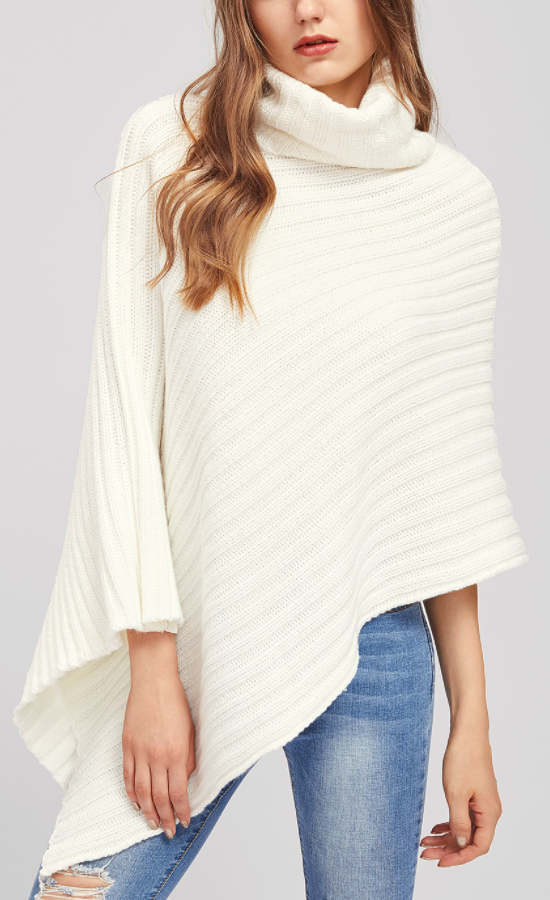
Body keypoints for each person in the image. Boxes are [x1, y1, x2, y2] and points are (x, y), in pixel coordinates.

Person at [19, 1, 529, 898]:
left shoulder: (451, 201)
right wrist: (152, 666)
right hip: (190, 629)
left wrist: (473, 724)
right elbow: (124, 420)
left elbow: (440, 487)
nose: (307, 10)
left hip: (372, 638)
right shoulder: (171, 149)